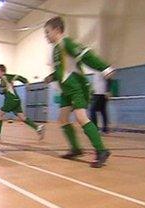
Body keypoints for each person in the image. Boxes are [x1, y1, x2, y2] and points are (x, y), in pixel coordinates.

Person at [43, 16, 114, 168]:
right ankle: (76, 148)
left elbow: (86, 55)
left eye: (47, 32)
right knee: (62, 119)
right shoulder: (56, 49)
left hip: (77, 88)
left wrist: (104, 68)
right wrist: (51, 76)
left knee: (81, 118)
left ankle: (102, 150)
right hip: (65, 90)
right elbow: (63, 70)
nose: (46, 36)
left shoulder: (67, 43)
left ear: (57, 30)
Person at [0, 64, 45, 140]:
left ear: (2, 72)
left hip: (11, 100)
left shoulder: (5, 77)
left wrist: (25, 82)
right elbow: (1, 91)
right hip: (16, 100)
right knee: (22, 117)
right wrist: (4, 89)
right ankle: (38, 127)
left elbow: (17, 76)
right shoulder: (3, 80)